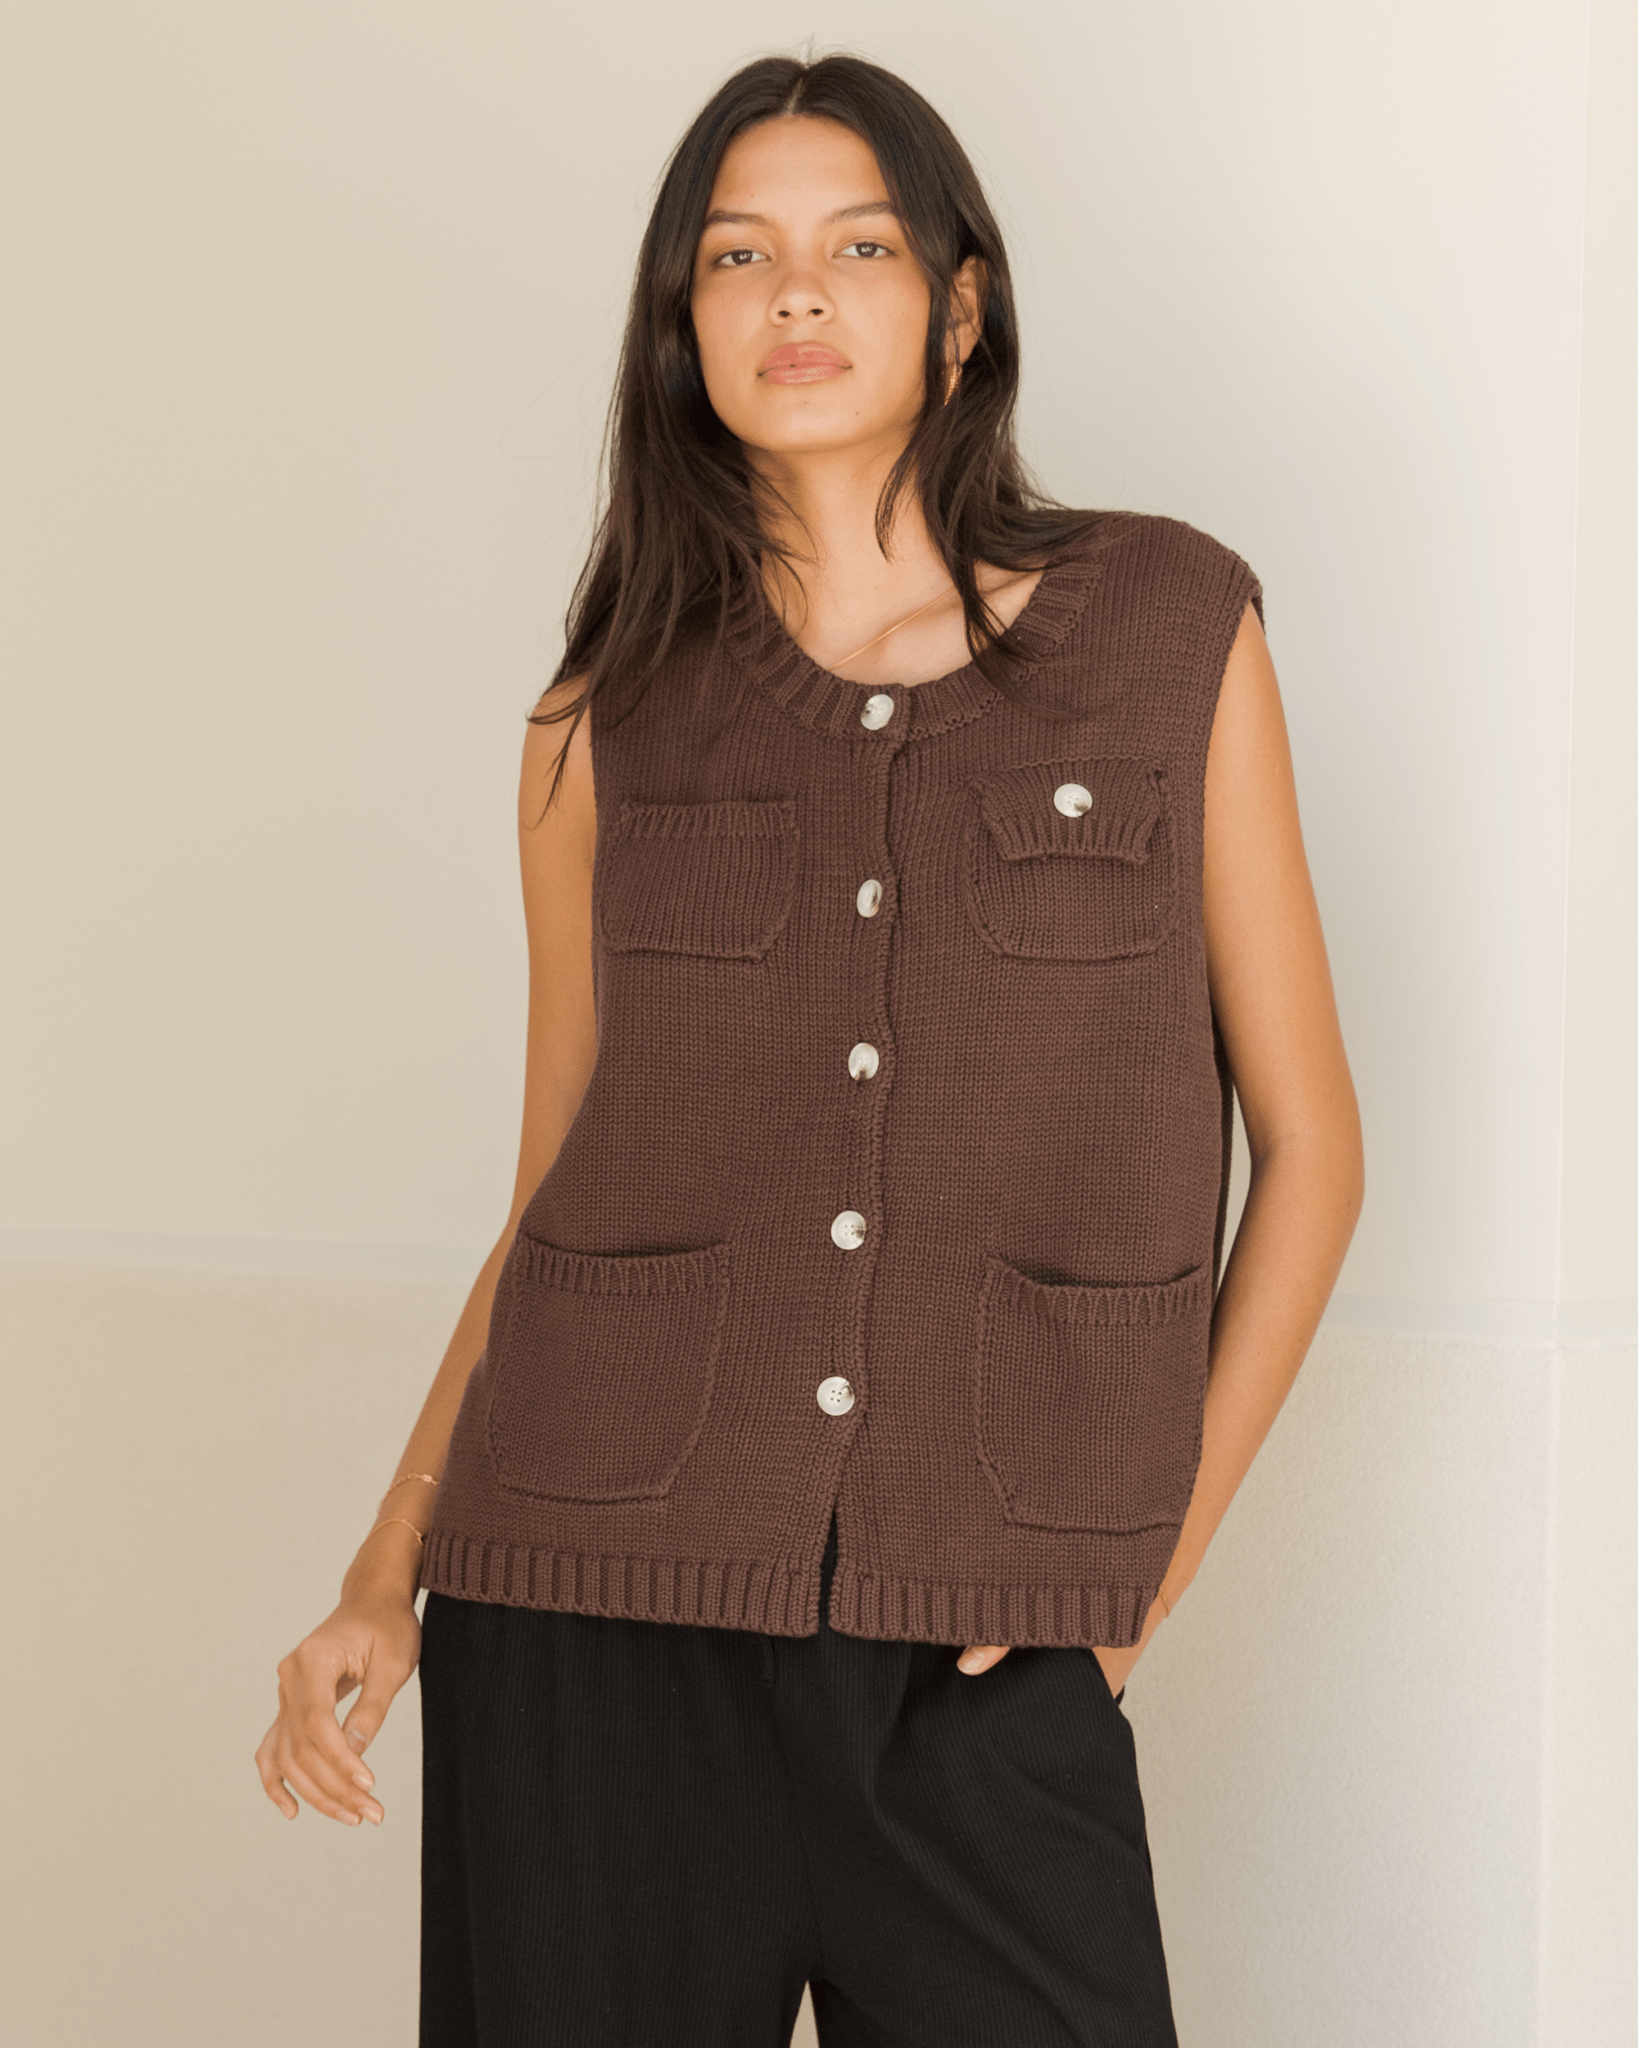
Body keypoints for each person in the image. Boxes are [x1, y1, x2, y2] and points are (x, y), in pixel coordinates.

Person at [255, 50, 1363, 2048]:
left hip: (983, 1653)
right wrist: (380, 1569)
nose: (793, 292)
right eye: (734, 255)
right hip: (587, 1624)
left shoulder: (1170, 627)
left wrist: (1135, 1575)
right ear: (680, 328)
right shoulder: (601, 716)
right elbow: (558, 1188)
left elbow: (1311, 1149)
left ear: (960, 306)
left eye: (857, 247)